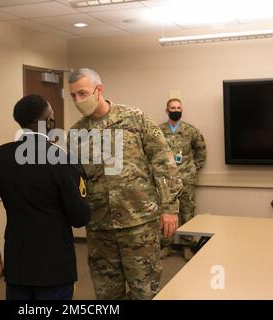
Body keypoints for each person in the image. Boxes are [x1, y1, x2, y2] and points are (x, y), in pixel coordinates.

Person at [67, 68, 183, 300]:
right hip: (99, 228)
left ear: (99, 90)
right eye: (73, 96)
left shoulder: (133, 117)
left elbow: (163, 160)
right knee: (107, 294)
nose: (78, 100)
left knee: (145, 291)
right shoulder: (76, 133)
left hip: (138, 223)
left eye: (82, 93)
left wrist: (170, 207)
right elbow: (74, 179)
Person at [0, 94, 91, 300]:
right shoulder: (62, 158)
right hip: (55, 266)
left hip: (18, 264)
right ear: (50, 122)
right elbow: (80, 218)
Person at [159, 98, 207, 261]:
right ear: (167, 111)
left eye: (179, 107)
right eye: (173, 108)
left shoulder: (191, 131)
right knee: (166, 213)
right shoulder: (158, 131)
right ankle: (166, 245)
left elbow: (201, 152)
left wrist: (193, 169)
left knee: (187, 212)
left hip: (186, 179)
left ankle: (187, 245)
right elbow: (153, 153)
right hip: (166, 181)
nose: (176, 110)